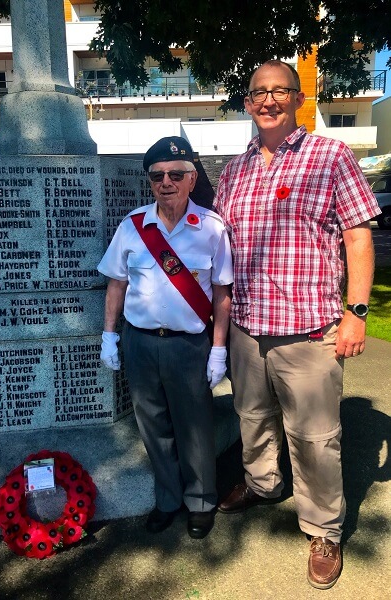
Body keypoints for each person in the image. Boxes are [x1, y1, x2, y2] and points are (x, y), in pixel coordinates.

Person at [214, 60, 381, 589]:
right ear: (247, 102)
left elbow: (357, 237)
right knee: (252, 418)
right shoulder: (236, 169)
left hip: (309, 330)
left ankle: (324, 527)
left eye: (279, 91)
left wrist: (356, 314)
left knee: (315, 437)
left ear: (298, 97)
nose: (268, 101)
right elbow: (219, 248)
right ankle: (263, 484)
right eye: (258, 93)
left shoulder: (329, 156)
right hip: (246, 327)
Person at [98, 136, 233, 539]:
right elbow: (116, 285)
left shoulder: (210, 229)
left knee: (195, 428)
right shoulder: (133, 226)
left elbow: (223, 294)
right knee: (153, 426)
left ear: (192, 179)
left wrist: (219, 350)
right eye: (157, 176)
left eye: (176, 174)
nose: (166, 182)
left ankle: (201, 501)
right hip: (140, 342)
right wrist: (109, 335)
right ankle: (168, 500)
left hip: (189, 346)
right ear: (150, 182)